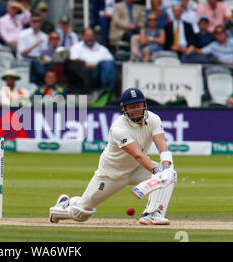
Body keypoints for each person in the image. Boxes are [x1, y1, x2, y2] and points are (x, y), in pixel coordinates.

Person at [49, 88, 177, 225]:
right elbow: (138, 155)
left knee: (169, 176)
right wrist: (157, 171)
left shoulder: (154, 119)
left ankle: (152, 214)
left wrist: (166, 166)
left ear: (144, 104)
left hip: (136, 169)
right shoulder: (118, 129)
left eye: (139, 105)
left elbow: (161, 143)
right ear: (124, 108)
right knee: (81, 213)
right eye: (132, 107)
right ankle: (62, 206)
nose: (136, 110)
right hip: (112, 174)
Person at [69, 28, 117, 92]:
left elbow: (111, 61)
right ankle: (107, 89)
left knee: (108, 64)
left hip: (99, 74)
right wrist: (94, 65)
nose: (89, 38)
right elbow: (74, 61)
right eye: (87, 36)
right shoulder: (76, 47)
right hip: (82, 74)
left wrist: (98, 66)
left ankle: (107, 88)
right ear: (83, 36)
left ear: (94, 37)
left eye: (91, 36)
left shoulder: (102, 49)